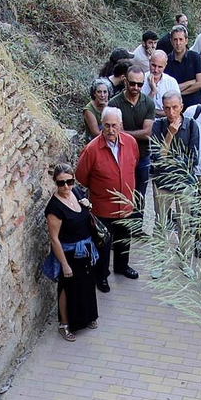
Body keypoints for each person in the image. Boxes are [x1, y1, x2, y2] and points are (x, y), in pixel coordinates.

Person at [76, 107, 139, 289]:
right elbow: (81, 176)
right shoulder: (92, 149)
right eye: (106, 126)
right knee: (103, 243)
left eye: (114, 126)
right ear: (101, 126)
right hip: (103, 207)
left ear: (121, 125)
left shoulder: (131, 142)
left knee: (124, 238)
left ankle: (122, 266)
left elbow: (133, 163)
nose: (111, 130)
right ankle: (101, 275)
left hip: (125, 205)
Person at [43, 162, 99, 340]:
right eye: (61, 183)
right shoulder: (54, 208)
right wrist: (64, 265)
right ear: (55, 183)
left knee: (87, 285)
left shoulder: (76, 193)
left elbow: (84, 217)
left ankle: (87, 317)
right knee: (67, 289)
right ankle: (65, 325)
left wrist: (87, 205)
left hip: (85, 250)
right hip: (69, 253)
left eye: (69, 181)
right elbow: (54, 238)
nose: (66, 186)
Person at [149, 90, 201, 275]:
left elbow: (193, 159)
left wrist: (171, 163)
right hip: (162, 184)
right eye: (166, 108)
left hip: (184, 184)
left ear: (181, 106)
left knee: (185, 224)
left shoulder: (192, 126)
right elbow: (156, 158)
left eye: (174, 107)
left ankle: (184, 260)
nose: (171, 112)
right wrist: (170, 134)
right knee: (160, 224)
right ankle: (159, 262)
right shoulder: (158, 126)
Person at [108, 63, 156, 221]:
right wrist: (135, 134)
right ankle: (121, 224)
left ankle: (137, 224)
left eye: (140, 84)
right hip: (120, 157)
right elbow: (112, 133)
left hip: (142, 156)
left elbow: (147, 133)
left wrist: (123, 133)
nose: (136, 87)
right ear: (125, 81)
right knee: (120, 190)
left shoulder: (148, 103)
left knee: (140, 192)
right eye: (133, 83)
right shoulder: (114, 104)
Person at [165, 25, 201, 110]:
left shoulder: (194, 57)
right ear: (171, 41)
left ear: (186, 41)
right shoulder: (166, 61)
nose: (178, 43)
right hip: (174, 108)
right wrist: (191, 82)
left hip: (195, 106)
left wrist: (179, 93)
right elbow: (167, 88)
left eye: (181, 39)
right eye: (175, 40)